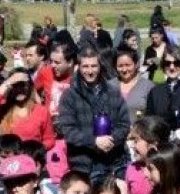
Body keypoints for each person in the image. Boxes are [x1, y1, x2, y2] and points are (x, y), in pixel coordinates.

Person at [56, 47, 131, 180]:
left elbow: (124, 124)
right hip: (84, 165)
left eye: (93, 66)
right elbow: (67, 130)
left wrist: (111, 140)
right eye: (85, 66)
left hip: (114, 161)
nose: (90, 71)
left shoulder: (113, 92)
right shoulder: (69, 96)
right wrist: (93, 141)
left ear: (100, 66)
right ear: (79, 67)